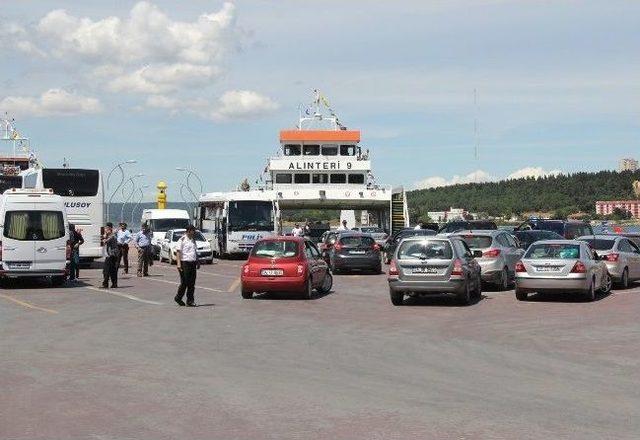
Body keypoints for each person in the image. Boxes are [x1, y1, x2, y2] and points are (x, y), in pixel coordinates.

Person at [175, 225, 199, 307]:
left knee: (192, 283)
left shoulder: (193, 240)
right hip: (184, 263)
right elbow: (178, 252)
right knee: (185, 282)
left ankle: (190, 301)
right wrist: (178, 264)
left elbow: (195, 251)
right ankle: (178, 297)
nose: (194, 232)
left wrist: (197, 262)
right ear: (188, 231)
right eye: (193, 231)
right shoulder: (182, 239)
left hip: (192, 263)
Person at [101, 222, 119, 288]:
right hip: (110, 254)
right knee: (112, 270)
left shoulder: (112, 235)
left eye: (106, 228)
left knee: (106, 270)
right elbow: (103, 239)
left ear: (109, 228)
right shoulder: (110, 235)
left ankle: (105, 283)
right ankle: (114, 283)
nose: (105, 229)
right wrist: (105, 235)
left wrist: (105, 235)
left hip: (112, 255)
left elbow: (105, 241)